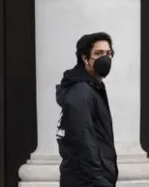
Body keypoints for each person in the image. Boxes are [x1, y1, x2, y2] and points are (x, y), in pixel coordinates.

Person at [56, 32, 118, 187]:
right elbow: (83, 141)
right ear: (85, 58)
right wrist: (99, 181)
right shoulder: (81, 92)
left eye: (108, 53)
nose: (105, 58)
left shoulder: (92, 88)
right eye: (98, 53)